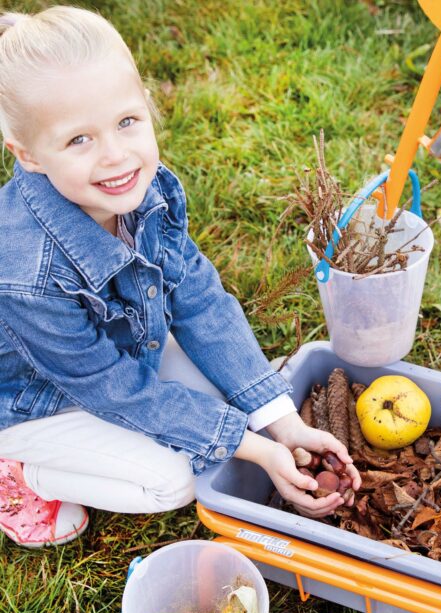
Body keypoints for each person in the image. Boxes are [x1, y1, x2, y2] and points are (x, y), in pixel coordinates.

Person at [0, 6, 359, 548]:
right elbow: (111, 389)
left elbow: (198, 300)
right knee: (173, 480)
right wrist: (252, 445)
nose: (116, 156)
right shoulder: (25, 271)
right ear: (26, 155)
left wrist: (278, 421)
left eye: (126, 122)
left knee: (233, 402)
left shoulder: (146, 190)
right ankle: (21, 475)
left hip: (119, 351)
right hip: (33, 399)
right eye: (79, 140)